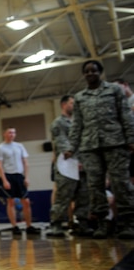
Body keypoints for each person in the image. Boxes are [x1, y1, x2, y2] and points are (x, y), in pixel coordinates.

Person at [65, 60, 134, 239]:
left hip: (115, 144)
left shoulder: (114, 90)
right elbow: (77, 124)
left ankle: (128, 223)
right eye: (87, 72)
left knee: (121, 184)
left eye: (93, 71)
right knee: (95, 186)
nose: (90, 74)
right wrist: (71, 147)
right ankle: (103, 223)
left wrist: (131, 138)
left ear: (100, 72)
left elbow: (125, 115)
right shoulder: (80, 97)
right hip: (90, 147)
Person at [47, 96, 90, 237]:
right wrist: (74, 159)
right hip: (67, 166)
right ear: (64, 105)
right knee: (63, 197)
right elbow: (62, 143)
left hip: (83, 165)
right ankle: (56, 224)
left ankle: (83, 224)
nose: (75, 106)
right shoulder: (58, 123)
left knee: (83, 196)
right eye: (72, 103)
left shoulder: (79, 122)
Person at [0, 127, 39, 236]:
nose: (12, 134)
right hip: (8, 176)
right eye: (9, 132)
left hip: (19, 176)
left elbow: (25, 162)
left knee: (26, 201)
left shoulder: (19, 146)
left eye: (14, 132)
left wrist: (26, 177)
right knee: (11, 202)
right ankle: (14, 226)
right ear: (4, 133)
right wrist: (4, 180)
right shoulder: (0, 148)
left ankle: (29, 226)